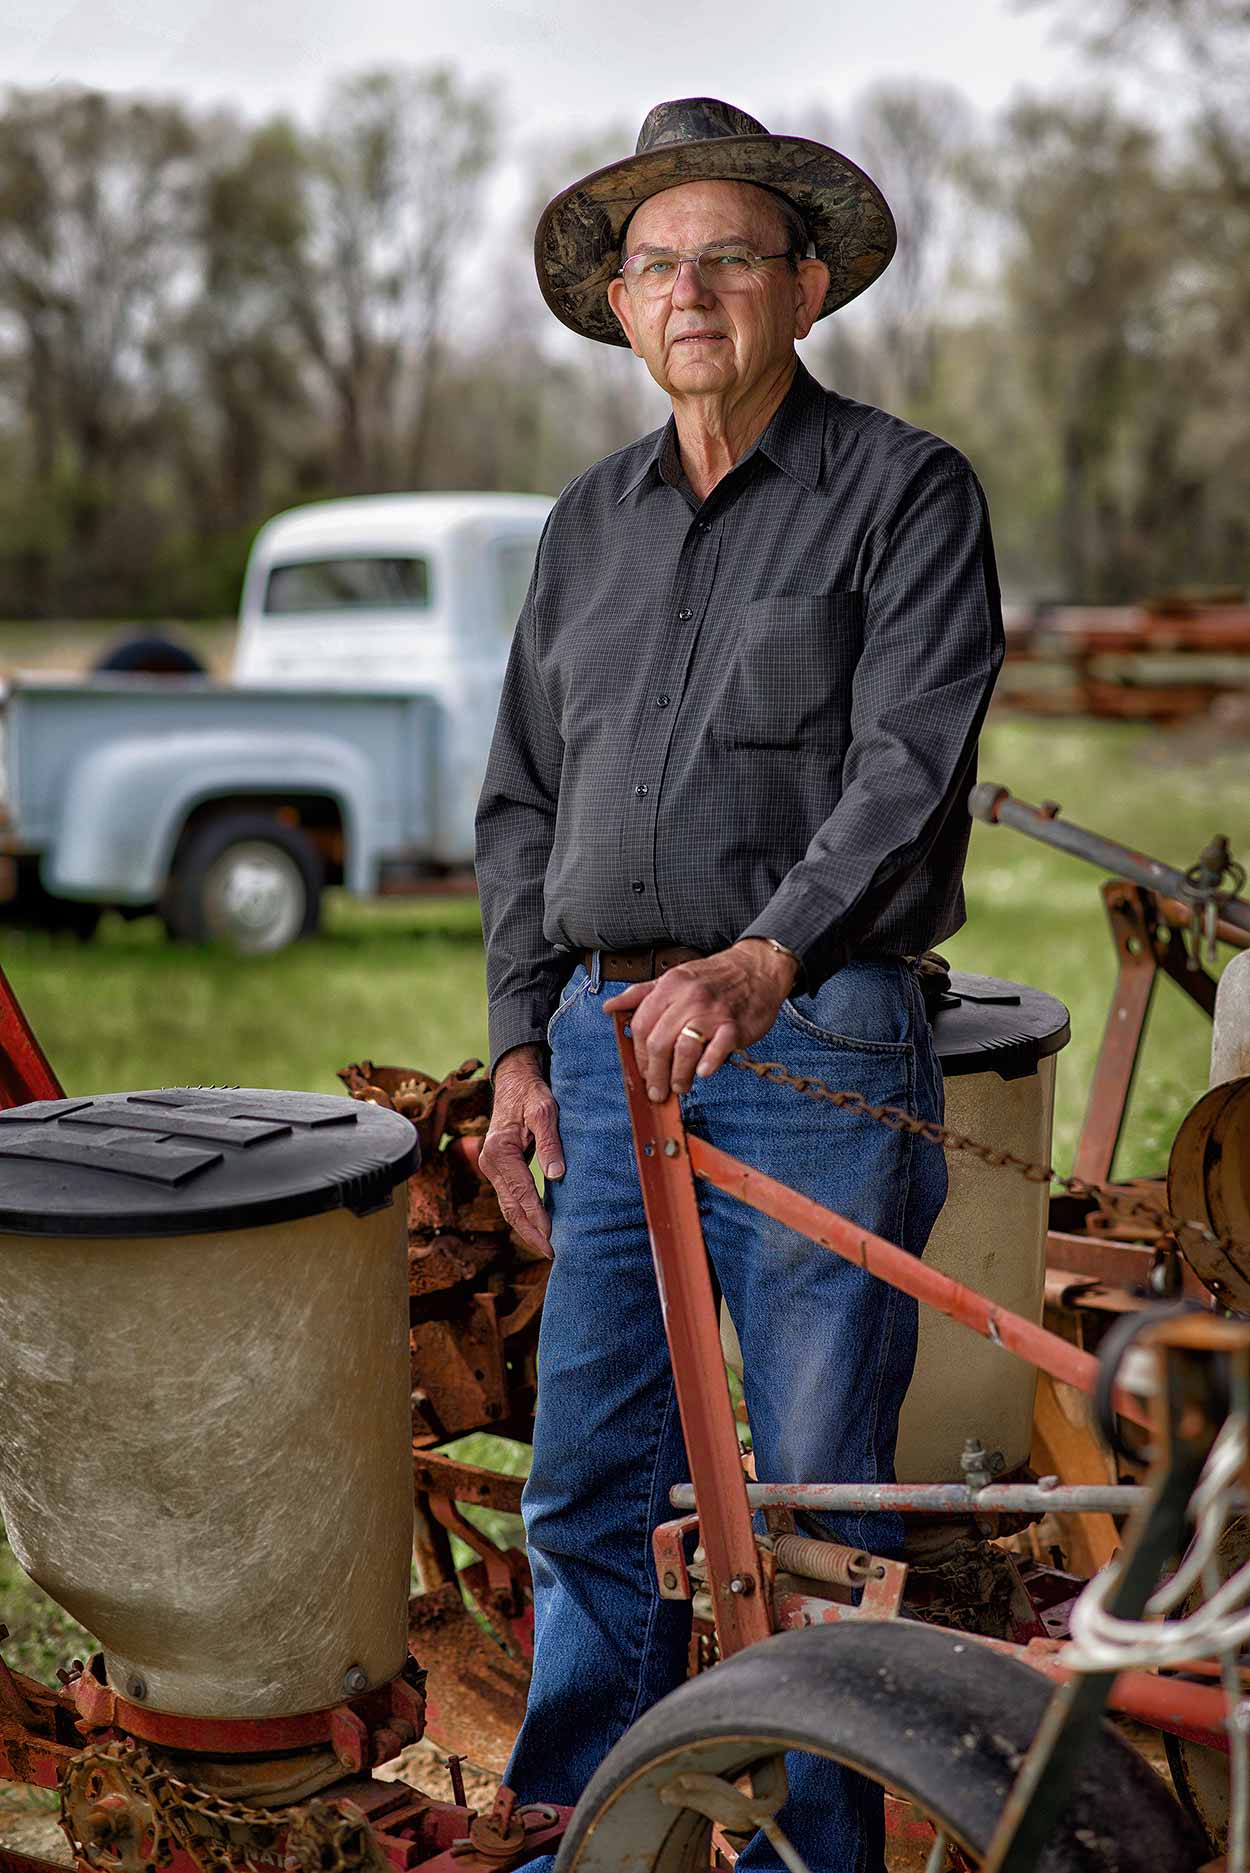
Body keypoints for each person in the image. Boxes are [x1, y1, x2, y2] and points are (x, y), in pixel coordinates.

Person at [475, 96, 1004, 1872]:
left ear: (804, 285)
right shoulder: (583, 528)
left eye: (727, 257)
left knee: (810, 1502)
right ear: (618, 309)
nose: (689, 289)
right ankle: (583, 1828)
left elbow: (905, 764)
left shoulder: (905, 492)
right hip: (602, 1046)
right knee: (589, 1478)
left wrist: (768, 954)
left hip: (818, 1029)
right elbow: (521, 799)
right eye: (654, 266)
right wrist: (516, 1046)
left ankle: (814, 1852)